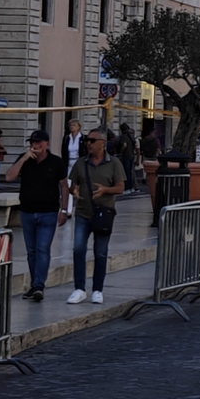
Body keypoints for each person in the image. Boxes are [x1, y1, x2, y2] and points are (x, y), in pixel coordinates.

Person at [67, 125, 124, 303]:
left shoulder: (114, 163)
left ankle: (97, 289)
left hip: (103, 213)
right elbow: (72, 185)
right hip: (83, 212)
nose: (88, 144)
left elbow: (121, 188)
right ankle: (79, 288)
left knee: (100, 252)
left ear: (103, 143)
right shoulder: (80, 163)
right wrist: (73, 190)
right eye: (87, 141)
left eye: (92, 141)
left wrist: (106, 190)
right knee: (78, 249)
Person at [16, 128, 66, 300]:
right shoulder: (26, 160)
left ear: (46, 144)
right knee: (31, 251)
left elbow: (64, 186)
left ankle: (39, 285)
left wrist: (64, 209)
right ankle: (34, 284)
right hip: (27, 211)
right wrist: (23, 158)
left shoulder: (56, 162)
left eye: (38, 143)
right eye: (32, 143)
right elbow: (9, 176)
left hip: (48, 212)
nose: (35, 146)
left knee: (42, 249)